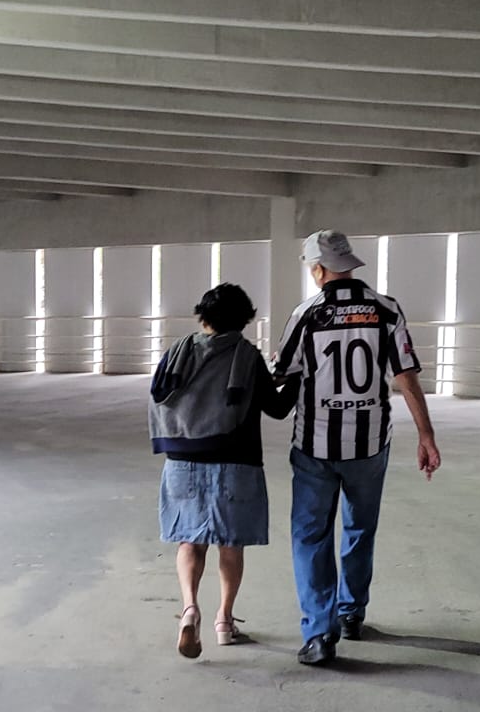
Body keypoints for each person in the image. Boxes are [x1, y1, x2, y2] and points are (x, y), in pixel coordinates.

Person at [273, 230, 443, 666]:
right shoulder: (387, 309)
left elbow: (281, 371)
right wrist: (426, 435)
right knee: (360, 529)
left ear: (318, 269)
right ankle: (351, 614)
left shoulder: (307, 314)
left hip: (314, 444)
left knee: (311, 536)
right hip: (369, 444)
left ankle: (319, 633)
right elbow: (405, 376)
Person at [149, 283, 297, 659]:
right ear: (244, 320)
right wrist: (295, 377)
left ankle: (190, 608)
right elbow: (278, 409)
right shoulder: (247, 356)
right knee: (230, 545)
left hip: (182, 462)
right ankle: (224, 621)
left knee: (190, 541)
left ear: (202, 316)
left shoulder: (177, 352)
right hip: (236, 461)